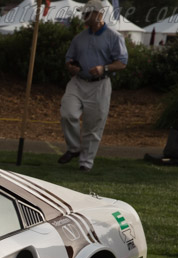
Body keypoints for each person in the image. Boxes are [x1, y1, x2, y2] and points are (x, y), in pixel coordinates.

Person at [58, 0, 127, 171]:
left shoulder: (114, 37)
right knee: (68, 113)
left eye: (87, 13)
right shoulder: (79, 38)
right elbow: (69, 59)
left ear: (99, 14)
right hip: (78, 82)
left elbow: (122, 63)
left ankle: (85, 163)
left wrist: (103, 68)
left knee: (93, 125)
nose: (84, 16)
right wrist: (71, 66)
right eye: (83, 13)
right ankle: (74, 148)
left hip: (100, 85)